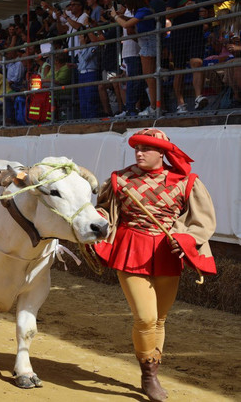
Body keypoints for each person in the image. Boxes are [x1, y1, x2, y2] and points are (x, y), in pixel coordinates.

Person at [94, 128, 217, 402]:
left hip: (166, 252)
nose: (139, 152)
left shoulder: (186, 181)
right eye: (136, 148)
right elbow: (104, 212)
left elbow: (203, 221)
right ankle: (148, 376)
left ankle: (153, 370)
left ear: (162, 153)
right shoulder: (119, 180)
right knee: (146, 318)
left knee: (160, 319)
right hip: (130, 249)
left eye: (146, 149)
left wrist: (186, 239)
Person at [167, 0, 214, 113]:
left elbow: (212, 14)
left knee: (197, 62)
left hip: (197, 33)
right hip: (179, 34)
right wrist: (185, 9)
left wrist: (207, 15)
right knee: (179, 70)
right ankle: (180, 104)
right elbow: (168, 14)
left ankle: (198, 97)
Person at [113, 0, 158, 116]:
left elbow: (127, 24)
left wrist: (115, 16)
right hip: (145, 44)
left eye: (126, 3)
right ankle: (154, 105)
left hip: (148, 45)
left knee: (149, 78)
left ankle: (154, 106)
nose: (126, 5)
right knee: (148, 77)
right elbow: (130, 19)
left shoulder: (144, 10)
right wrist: (120, 15)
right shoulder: (142, 11)